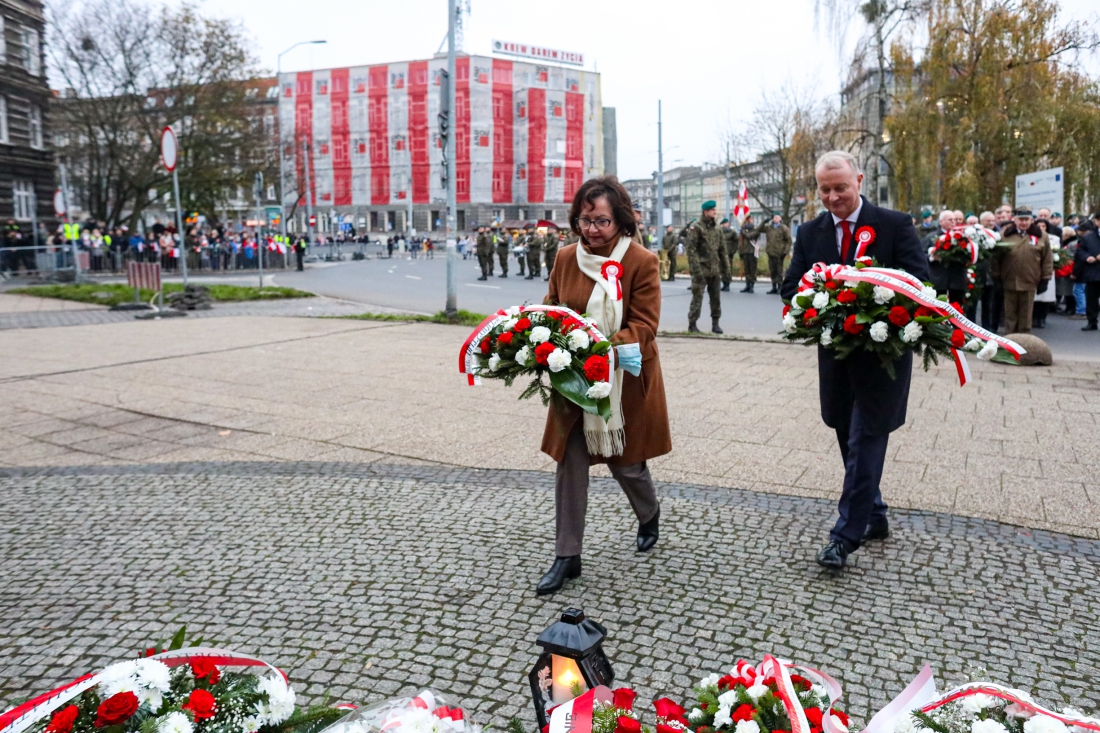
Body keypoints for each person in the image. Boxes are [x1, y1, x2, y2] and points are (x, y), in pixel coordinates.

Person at [780, 150, 930, 570]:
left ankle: (844, 536)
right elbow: (791, 287)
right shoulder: (810, 232)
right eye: (824, 190)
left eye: (840, 188)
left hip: (883, 360)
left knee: (866, 439)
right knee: (846, 434)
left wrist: (874, 306)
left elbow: (921, 284)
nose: (832, 197)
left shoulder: (894, 225)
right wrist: (820, 301)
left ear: (859, 181)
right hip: (836, 358)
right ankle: (874, 514)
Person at [537, 175, 671, 595]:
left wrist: (596, 348)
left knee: (625, 463)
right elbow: (551, 309)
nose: (591, 230)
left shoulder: (641, 261)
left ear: (622, 221)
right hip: (573, 379)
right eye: (585, 220)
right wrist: (543, 339)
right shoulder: (565, 257)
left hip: (623, 379)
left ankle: (648, 512)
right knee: (571, 461)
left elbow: (644, 325)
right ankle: (567, 556)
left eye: (601, 221)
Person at [992, 206, 1052, 334]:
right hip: (1009, 281)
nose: (1023, 222)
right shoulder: (1005, 235)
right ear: (1014, 220)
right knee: (1010, 316)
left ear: (1031, 220)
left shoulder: (1042, 236)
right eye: (1020, 219)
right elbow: (996, 259)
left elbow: (1047, 259)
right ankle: (1010, 340)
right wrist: (996, 277)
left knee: (1026, 317)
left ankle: (1024, 341)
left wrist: (1045, 279)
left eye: (1026, 219)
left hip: (1030, 281)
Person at [684, 200, 729, 333]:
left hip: (714, 269)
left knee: (716, 298)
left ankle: (715, 324)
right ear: (706, 211)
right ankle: (692, 324)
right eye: (712, 210)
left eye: (715, 209)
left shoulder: (717, 228)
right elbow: (691, 250)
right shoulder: (696, 227)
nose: (715, 212)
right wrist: (696, 270)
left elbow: (722, 250)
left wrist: (726, 269)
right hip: (701, 269)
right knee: (697, 298)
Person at [1075, 214, 1100, 331]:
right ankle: (1092, 321)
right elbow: (1080, 250)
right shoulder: (1088, 237)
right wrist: (1087, 257)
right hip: (1093, 271)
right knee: (1091, 299)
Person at [762, 213, 793, 294]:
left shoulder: (783, 228)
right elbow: (759, 229)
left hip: (779, 253)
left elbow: (788, 241)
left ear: (780, 218)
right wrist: (764, 221)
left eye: (776, 217)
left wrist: (785, 251)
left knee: (779, 271)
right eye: (774, 217)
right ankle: (774, 286)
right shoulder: (769, 227)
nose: (774, 218)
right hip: (771, 252)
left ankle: (780, 286)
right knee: (772, 270)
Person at [738, 214, 760, 293]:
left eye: (750, 219)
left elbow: (750, 236)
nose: (748, 221)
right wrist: (740, 251)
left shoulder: (755, 229)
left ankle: (752, 285)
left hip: (752, 251)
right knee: (746, 269)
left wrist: (743, 231)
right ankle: (747, 284)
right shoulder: (744, 229)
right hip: (745, 251)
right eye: (747, 219)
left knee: (752, 270)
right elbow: (740, 242)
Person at [720, 218, 737, 291]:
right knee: (722, 269)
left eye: (727, 223)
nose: (726, 225)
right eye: (724, 224)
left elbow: (736, 241)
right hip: (721, 253)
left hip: (729, 253)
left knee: (728, 269)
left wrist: (733, 250)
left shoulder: (732, 232)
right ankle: (724, 283)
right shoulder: (720, 232)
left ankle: (727, 284)